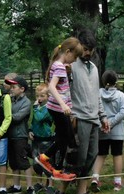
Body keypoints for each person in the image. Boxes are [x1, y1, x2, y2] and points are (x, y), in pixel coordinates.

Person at [50, 29, 110, 194]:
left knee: (91, 157)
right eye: (85, 48)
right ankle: (59, 193)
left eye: (90, 49)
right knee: (76, 158)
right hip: (78, 118)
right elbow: (60, 88)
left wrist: (103, 116)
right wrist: (69, 114)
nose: (88, 53)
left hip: (94, 120)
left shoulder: (94, 68)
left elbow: (96, 95)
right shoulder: (70, 65)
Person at [35, 37, 83, 181]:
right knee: (66, 138)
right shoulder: (60, 66)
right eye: (74, 57)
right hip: (58, 108)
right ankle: (45, 158)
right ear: (68, 52)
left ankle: (57, 169)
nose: (74, 61)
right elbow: (51, 87)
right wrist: (63, 104)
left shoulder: (58, 65)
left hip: (55, 108)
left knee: (64, 138)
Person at [90, 70, 124, 192]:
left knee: (101, 154)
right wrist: (111, 124)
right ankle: (117, 182)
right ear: (116, 81)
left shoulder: (97, 94)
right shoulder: (121, 96)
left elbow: (93, 108)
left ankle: (95, 178)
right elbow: (123, 112)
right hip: (117, 132)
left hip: (101, 129)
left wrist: (104, 123)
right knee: (117, 154)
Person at [5, 76, 35, 194]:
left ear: (22, 89)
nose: (11, 89)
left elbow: (17, 117)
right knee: (13, 162)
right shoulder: (11, 100)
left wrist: (6, 114)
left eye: (14, 87)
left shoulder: (27, 103)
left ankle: (30, 187)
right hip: (10, 135)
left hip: (20, 136)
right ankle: (16, 186)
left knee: (23, 161)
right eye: (11, 87)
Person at [29, 83, 55, 194]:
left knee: (46, 162)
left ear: (48, 96)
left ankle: (50, 185)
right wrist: (30, 129)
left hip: (46, 139)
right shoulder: (37, 107)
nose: (39, 99)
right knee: (36, 162)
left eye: (42, 96)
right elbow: (33, 120)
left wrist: (35, 108)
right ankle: (39, 182)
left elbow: (39, 118)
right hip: (36, 138)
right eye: (38, 96)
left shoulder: (48, 108)